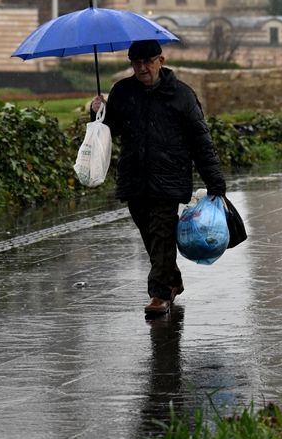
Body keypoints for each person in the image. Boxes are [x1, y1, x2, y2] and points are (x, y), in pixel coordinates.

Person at [90, 39, 227, 316]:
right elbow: (109, 130)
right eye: (136, 63)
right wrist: (98, 113)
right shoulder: (123, 91)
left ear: (160, 61)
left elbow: (200, 141)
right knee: (151, 236)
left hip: (169, 179)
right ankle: (172, 280)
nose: (142, 68)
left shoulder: (182, 95)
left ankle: (159, 294)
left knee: (162, 233)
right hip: (134, 178)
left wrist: (215, 182)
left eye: (148, 62)